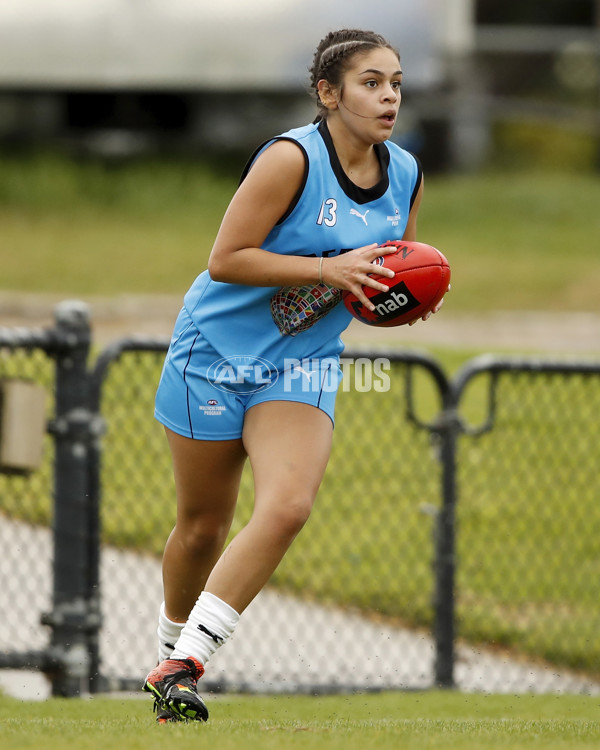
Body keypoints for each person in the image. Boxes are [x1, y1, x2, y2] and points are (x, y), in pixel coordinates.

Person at [143, 27, 445, 723]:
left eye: (396, 81)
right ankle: (167, 656)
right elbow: (226, 259)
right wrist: (325, 269)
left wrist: (397, 298)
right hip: (214, 352)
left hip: (301, 362)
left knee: (287, 506)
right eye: (371, 82)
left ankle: (186, 662)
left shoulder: (406, 172)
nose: (389, 95)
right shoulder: (290, 160)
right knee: (201, 527)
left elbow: (375, 277)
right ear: (328, 93)